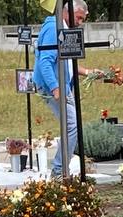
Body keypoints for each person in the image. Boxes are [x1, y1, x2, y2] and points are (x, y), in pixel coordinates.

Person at [34, 0, 91, 178]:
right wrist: (55, 88)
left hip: (62, 86)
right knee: (71, 125)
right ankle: (59, 171)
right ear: (68, 13)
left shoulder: (63, 28)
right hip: (55, 87)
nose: (80, 23)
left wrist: (88, 72)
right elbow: (45, 62)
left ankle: (60, 169)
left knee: (71, 125)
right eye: (79, 18)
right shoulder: (54, 29)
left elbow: (65, 62)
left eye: (82, 19)